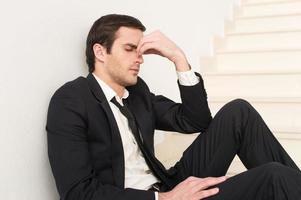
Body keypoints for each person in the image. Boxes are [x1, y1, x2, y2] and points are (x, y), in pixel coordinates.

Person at [46, 14, 301, 200]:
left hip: (167, 183)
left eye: (140, 50)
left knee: (238, 112)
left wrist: (178, 58)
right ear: (100, 52)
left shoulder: (136, 93)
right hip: (147, 198)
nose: (140, 58)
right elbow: (78, 193)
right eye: (130, 49)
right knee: (273, 176)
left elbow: (194, 121)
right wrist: (165, 199)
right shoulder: (71, 101)